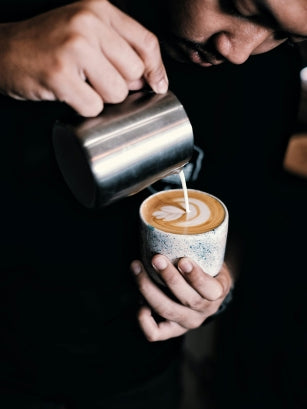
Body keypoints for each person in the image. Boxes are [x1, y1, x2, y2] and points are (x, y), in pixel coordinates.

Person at [0, 1, 305, 408]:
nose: (239, 50)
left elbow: (241, 217)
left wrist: (215, 293)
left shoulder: (270, 77)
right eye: (242, 7)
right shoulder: (45, 17)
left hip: (139, 373)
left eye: (284, 34)